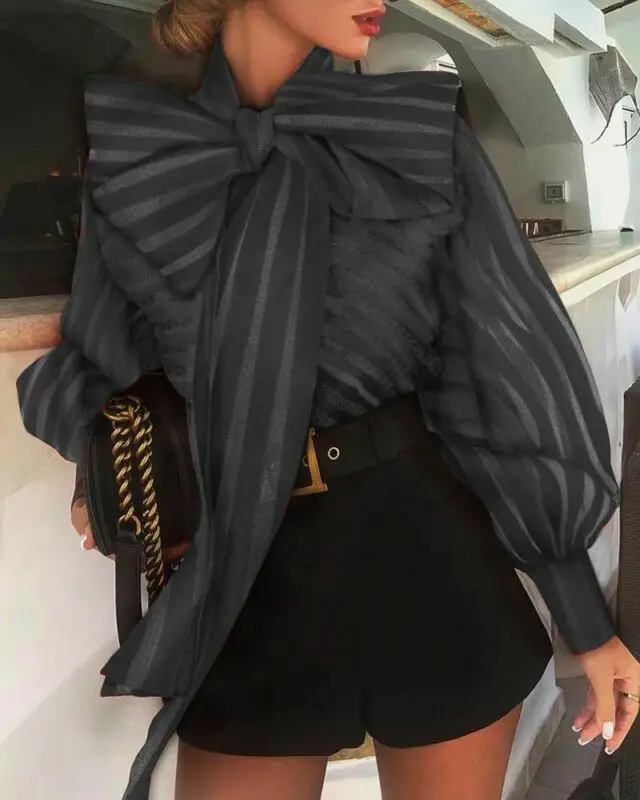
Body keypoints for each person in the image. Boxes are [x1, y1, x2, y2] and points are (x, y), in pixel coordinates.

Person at [17, 1, 640, 799]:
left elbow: (503, 373)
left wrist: (584, 620)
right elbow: (100, 358)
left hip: (427, 557)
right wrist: (101, 470)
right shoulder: (144, 153)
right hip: (250, 576)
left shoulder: (414, 138)